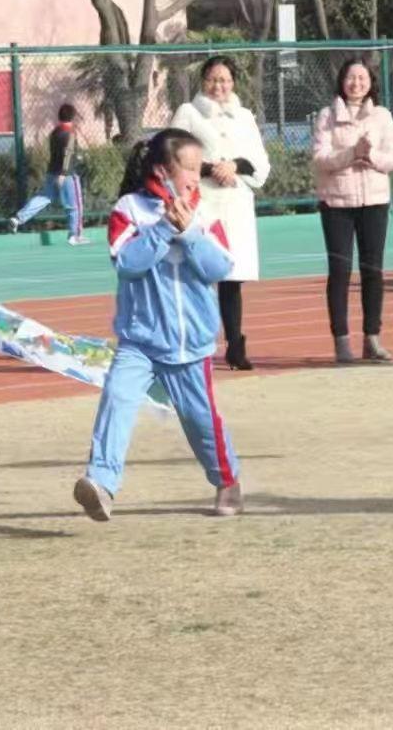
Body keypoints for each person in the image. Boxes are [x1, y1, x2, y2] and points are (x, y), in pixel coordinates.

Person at [73, 128, 242, 522]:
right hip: (140, 340)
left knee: (201, 421)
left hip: (190, 345)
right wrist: (164, 229)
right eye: (190, 168)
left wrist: (188, 234)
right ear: (164, 170)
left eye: (200, 168)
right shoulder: (130, 209)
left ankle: (227, 480)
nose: (197, 175)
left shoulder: (206, 213)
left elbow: (220, 267)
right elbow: (127, 264)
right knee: (116, 397)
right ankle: (101, 484)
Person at [171, 57, 272, 370]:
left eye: (225, 80)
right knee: (197, 276)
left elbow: (260, 162)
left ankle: (235, 345)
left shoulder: (244, 116)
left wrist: (235, 166)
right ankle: (193, 342)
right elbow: (169, 155)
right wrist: (208, 169)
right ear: (203, 81)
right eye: (213, 79)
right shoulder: (188, 113)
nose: (219, 86)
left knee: (232, 278)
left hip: (235, 202)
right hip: (201, 202)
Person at [312, 59, 393, 364]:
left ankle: (372, 339)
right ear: (342, 80)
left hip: (374, 202)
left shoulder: (382, 116)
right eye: (351, 77)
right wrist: (352, 154)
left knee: (373, 271)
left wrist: (371, 155)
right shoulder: (327, 116)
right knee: (339, 272)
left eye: (362, 78)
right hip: (336, 203)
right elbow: (321, 158)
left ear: (370, 81)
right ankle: (341, 342)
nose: (356, 83)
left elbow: (392, 159)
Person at [10, 104, 87, 244]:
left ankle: (18, 218)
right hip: (67, 175)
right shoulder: (70, 133)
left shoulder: (55, 132)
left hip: (51, 172)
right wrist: (63, 173)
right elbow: (68, 153)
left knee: (44, 197)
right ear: (73, 117)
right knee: (74, 205)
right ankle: (74, 235)